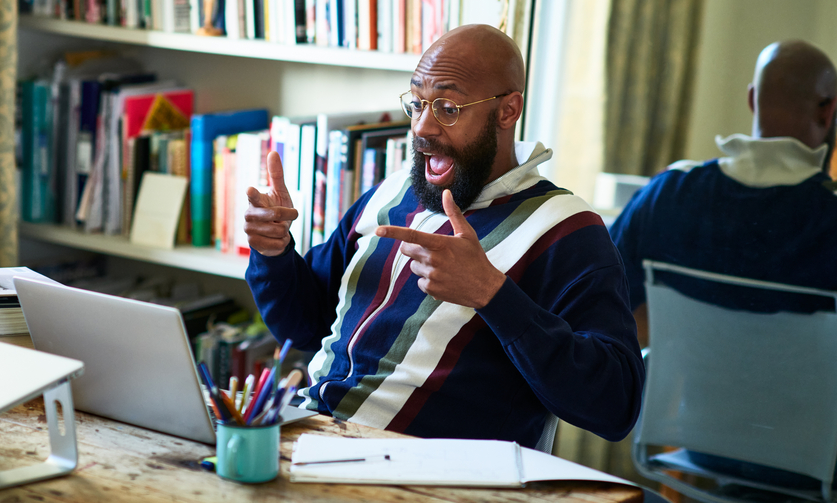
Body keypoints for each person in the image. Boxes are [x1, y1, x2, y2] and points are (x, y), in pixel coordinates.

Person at [243, 24, 644, 448]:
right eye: (417, 104)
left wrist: (492, 294)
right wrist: (275, 253)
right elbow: (304, 326)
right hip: (313, 438)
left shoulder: (566, 229)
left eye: (448, 108)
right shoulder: (394, 190)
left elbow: (615, 408)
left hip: (427, 478)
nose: (422, 128)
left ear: (508, 111)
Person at [610, 39, 837, 489]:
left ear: (752, 98)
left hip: (698, 451)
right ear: (828, 112)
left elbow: (603, 308)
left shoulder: (667, 196)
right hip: (810, 470)